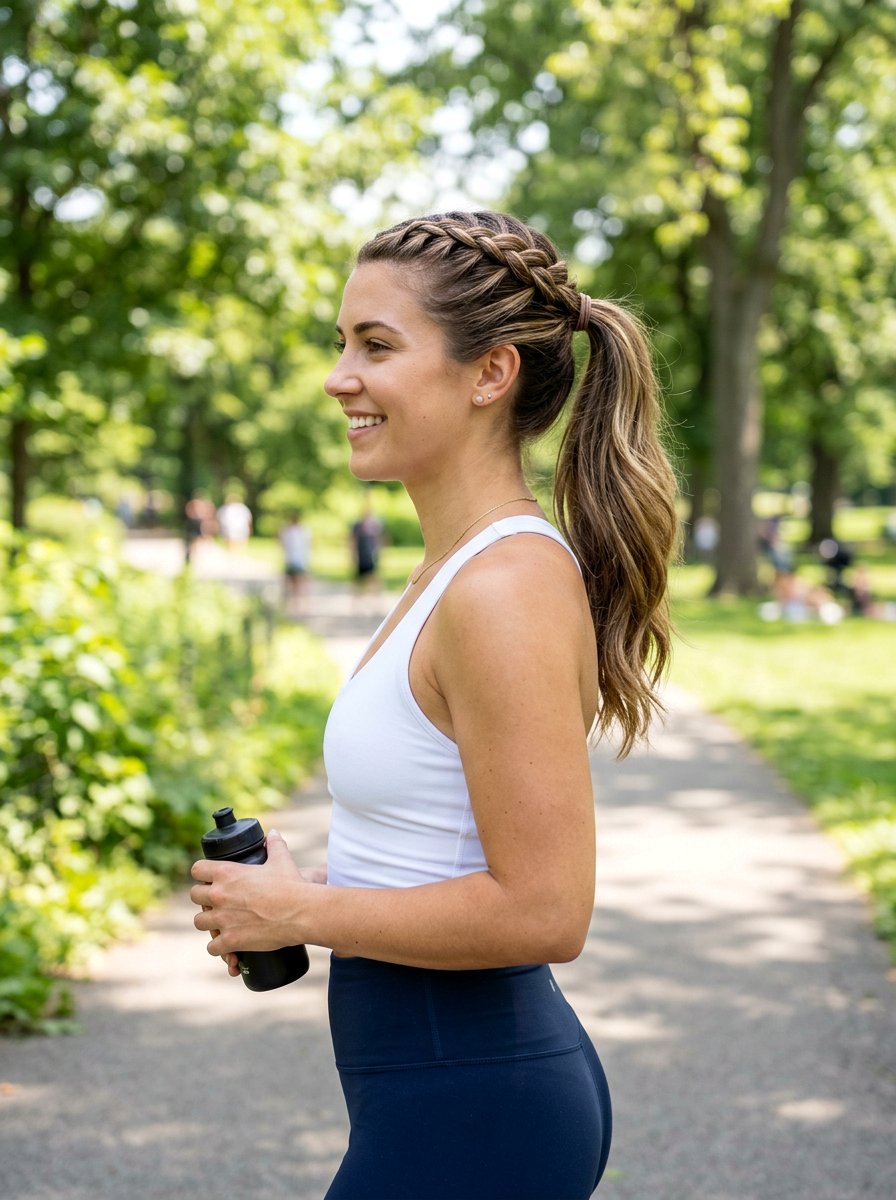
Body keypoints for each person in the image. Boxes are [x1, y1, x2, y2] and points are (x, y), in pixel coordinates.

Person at [190, 211, 678, 1199]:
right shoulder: (450, 570)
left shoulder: (500, 587)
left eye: (375, 345)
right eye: (340, 343)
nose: (338, 378)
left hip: (476, 1106)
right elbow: (443, 839)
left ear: (488, 373)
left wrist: (304, 908)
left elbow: (545, 909)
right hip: (442, 1093)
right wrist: (293, 895)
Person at [348, 494, 384, 594]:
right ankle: (355, 599)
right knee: (358, 579)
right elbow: (352, 540)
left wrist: (379, 550)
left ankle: (376, 599)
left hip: (371, 554)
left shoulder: (374, 524)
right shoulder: (357, 525)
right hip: (361, 554)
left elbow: (379, 538)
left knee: (373, 577)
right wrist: (352, 554)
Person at [278, 510, 312, 615]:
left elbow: (281, 541)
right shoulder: (304, 531)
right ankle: (301, 606)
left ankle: (292, 606)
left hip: (292, 560)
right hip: (300, 561)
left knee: (291, 585)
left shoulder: (288, 532)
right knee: (300, 585)